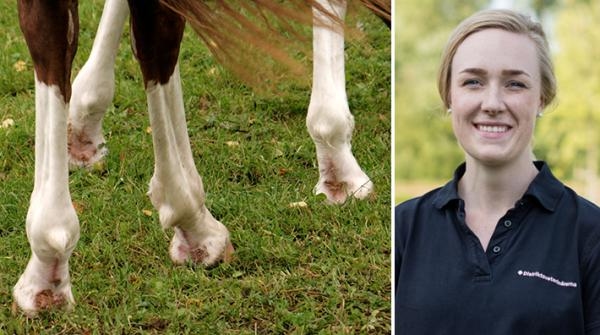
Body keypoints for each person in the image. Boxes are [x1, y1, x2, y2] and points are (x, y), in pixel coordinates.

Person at [394, 9, 600, 334]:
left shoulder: (590, 235)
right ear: (449, 94)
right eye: (473, 82)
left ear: (542, 99)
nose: (492, 102)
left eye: (515, 84)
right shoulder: (402, 229)